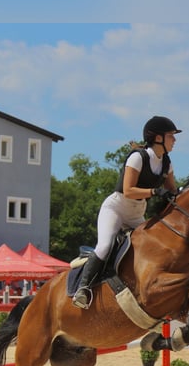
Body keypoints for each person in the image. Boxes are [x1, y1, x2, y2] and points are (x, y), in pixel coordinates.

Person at [72, 116, 181, 309]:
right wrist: (154, 191)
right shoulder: (138, 157)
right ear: (158, 138)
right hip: (116, 209)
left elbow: (173, 192)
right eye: (171, 135)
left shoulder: (166, 163)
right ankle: (83, 289)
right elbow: (128, 190)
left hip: (136, 214)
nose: (174, 140)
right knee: (105, 245)